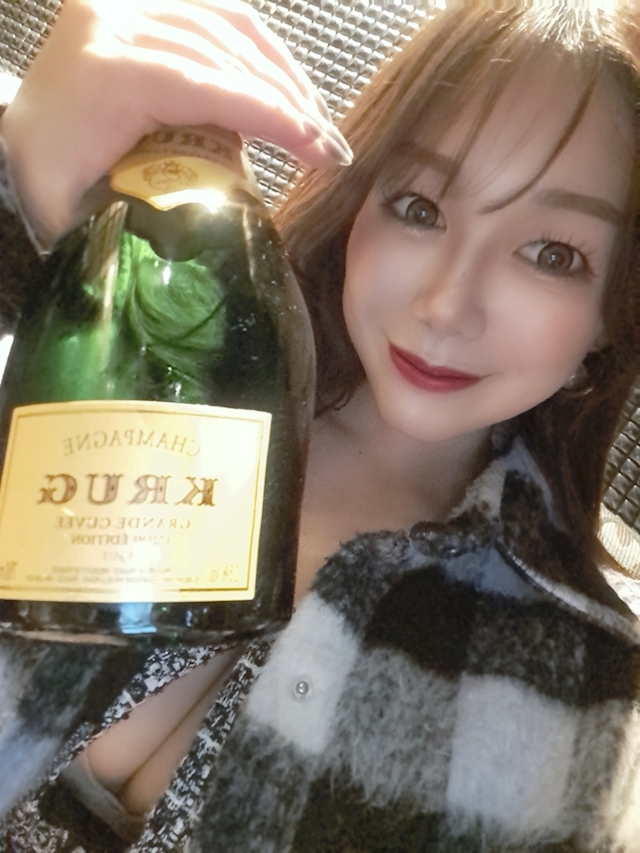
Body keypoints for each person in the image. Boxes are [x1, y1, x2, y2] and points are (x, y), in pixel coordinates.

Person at [0, 1, 638, 851]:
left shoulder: (591, 689)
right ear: (358, 200)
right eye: (418, 205)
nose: (446, 304)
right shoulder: (145, 341)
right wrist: (24, 162)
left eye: (553, 253)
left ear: (612, 311)